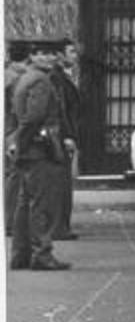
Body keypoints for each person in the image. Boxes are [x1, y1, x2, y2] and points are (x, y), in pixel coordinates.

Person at [9, 39, 74, 270]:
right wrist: (23, 143)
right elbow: (34, 117)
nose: (49, 58)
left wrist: (17, 144)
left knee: (24, 204)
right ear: (32, 56)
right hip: (39, 148)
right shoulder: (41, 82)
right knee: (41, 204)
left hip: (29, 147)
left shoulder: (24, 79)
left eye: (51, 54)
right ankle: (42, 253)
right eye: (42, 54)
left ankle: (20, 254)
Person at [49, 41, 81, 240]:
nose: (75, 55)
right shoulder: (57, 78)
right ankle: (59, 227)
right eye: (71, 52)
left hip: (66, 132)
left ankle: (62, 225)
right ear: (60, 55)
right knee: (61, 183)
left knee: (64, 182)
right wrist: (68, 135)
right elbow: (61, 111)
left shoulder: (64, 77)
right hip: (62, 135)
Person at [5, 40, 30, 233]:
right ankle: (9, 220)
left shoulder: (7, 75)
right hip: (12, 131)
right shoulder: (17, 80)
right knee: (15, 177)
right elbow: (17, 110)